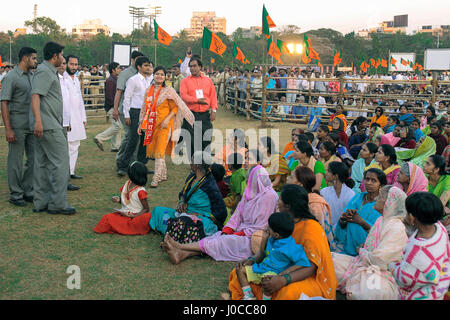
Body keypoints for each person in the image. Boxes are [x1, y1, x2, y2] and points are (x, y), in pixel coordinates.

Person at [225, 184, 337, 300]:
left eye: (280, 199)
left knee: (287, 292)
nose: (278, 202)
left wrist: (283, 280)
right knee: (238, 272)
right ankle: (251, 296)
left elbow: (310, 267)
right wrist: (251, 260)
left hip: (307, 276)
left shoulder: (312, 229)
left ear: (287, 206)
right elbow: (268, 252)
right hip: (277, 269)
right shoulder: (282, 222)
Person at [161, 165, 278, 264]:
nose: (246, 182)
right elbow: (237, 215)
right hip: (240, 231)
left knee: (221, 242)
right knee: (216, 237)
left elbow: (262, 226)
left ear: (255, 180)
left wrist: (239, 233)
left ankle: (179, 246)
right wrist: (228, 229)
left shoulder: (269, 197)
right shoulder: (250, 193)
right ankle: (181, 254)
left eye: (249, 179)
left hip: (252, 238)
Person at [332, 186, 409, 300]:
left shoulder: (396, 227)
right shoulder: (381, 220)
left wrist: (361, 251)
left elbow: (380, 261)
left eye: (381, 196)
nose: (377, 198)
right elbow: (371, 247)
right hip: (362, 263)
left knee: (367, 292)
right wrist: (365, 249)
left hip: (381, 273)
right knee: (328, 260)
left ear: (389, 202)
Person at [30, 42, 75, 215]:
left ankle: (41, 202)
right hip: (48, 125)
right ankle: (57, 203)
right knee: (61, 163)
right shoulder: (45, 71)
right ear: (55, 56)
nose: (63, 59)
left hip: (47, 124)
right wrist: (38, 121)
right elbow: (35, 96)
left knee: (42, 163)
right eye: (62, 55)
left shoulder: (48, 71)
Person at [138, 66, 194, 188]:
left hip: (165, 125)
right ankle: (163, 174)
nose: (159, 76)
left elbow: (175, 108)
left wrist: (167, 120)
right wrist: (141, 123)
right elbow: (144, 108)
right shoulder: (149, 90)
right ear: (154, 75)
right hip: (152, 125)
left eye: (162, 74)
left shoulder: (168, 90)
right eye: (157, 74)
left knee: (160, 150)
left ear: (165, 77)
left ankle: (156, 177)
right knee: (158, 151)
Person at [235, 212, 311, 300]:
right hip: (262, 268)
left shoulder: (292, 247)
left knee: (267, 283)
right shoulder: (271, 239)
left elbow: (303, 262)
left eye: (269, 227)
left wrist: (286, 272)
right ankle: (248, 296)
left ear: (276, 234)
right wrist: (264, 239)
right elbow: (262, 253)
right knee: (240, 270)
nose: (267, 228)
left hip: (274, 273)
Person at [150, 152, 227, 239]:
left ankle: (174, 231)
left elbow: (222, 211)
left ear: (197, 165)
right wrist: (181, 202)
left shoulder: (210, 185)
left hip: (201, 219)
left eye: (192, 160)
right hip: (184, 214)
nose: (190, 162)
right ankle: (176, 231)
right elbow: (183, 192)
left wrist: (199, 214)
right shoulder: (191, 177)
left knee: (186, 225)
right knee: (158, 211)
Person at [390, 192, 450, 300]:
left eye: (406, 212)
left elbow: (404, 279)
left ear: (412, 217)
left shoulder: (415, 253)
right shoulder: (439, 228)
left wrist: (392, 266)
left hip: (420, 295)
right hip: (439, 287)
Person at [0, 47, 37, 207]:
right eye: (34, 58)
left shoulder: (32, 75)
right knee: (16, 161)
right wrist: (8, 129)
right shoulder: (11, 77)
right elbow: (4, 103)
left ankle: (28, 190)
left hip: (32, 124)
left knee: (34, 158)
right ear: (25, 58)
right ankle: (16, 194)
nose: (36, 61)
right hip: (17, 125)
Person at [332, 168, 386, 256]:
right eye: (367, 179)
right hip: (347, 245)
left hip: (368, 249)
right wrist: (343, 220)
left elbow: (380, 231)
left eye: (373, 180)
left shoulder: (382, 204)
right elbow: (343, 221)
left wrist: (361, 222)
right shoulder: (358, 197)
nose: (368, 183)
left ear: (381, 185)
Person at [116, 56, 153, 176]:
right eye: (146, 65)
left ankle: (142, 165)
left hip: (147, 112)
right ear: (139, 67)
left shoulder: (150, 80)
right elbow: (127, 98)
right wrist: (127, 115)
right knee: (133, 140)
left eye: (149, 65)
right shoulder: (133, 80)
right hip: (135, 112)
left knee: (145, 140)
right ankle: (123, 165)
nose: (148, 68)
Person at [112, 51, 146, 175]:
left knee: (137, 138)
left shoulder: (144, 75)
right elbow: (119, 92)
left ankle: (134, 164)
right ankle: (121, 161)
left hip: (140, 112)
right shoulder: (125, 74)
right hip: (126, 110)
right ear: (133, 60)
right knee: (129, 137)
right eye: (138, 60)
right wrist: (115, 109)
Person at [93, 161, 151, 235]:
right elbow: (128, 201)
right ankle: (127, 227)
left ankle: (126, 227)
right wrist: (119, 200)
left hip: (136, 217)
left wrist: (134, 216)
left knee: (147, 217)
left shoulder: (140, 191)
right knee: (106, 217)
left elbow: (146, 209)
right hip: (124, 214)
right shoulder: (127, 183)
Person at [179, 55, 218, 158]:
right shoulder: (185, 81)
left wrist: (213, 111)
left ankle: (205, 162)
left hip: (205, 115)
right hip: (191, 115)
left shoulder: (208, 80)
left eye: (195, 66)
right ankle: (194, 165)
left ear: (200, 67)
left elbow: (213, 96)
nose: (192, 68)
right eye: (190, 66)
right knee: (192, 141)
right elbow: (184, 96)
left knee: (206, 138)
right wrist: (197, 100)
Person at [289, 166, 333, 243]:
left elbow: (316, 232)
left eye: (291, 177)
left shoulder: (314, 205)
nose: (287, 179)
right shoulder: (294, 198)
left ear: (300, 184)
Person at [63, 55, 87, 180]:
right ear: (66, 64)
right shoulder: (62, 79)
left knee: (75, 145)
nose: (74, 67)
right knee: (66, 145)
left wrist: (84, 118)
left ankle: (71, 171)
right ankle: (64, 172)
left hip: (77, 117)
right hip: (67, 118)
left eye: (76, 64)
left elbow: (80, 101)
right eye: (71, 64)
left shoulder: (76, 79)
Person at [94, 62, 123, 152]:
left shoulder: (115, 80)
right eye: (118, 68)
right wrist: (115, 108)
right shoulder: (110, 81)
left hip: (115, 106)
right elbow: (109, 97)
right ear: (113, 70)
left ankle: (115, 146)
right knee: (117, 126)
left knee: (117, 126)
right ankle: (99, 138)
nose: (120, 70)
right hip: (112, 107)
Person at [321, 161, 356, 232]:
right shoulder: (324, 192)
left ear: (335, 176)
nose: (325, 173)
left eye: (328, 171)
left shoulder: (350, 194)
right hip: (327, 230)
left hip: (344, 231)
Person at [424, 155, 450, 231]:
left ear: (436, 169)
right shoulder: (424, 178)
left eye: (428, 164)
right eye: (425, 162)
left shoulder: (447, 180)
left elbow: (440, 205)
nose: (424, 165)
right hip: (431, 210)